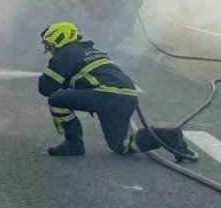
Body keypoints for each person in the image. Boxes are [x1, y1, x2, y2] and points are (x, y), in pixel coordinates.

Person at [38, 20, 189, 157]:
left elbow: (45, 88)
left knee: (56, 100)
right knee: (121, 146)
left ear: (59, 39)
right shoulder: (94, 51)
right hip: (126, 96)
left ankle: (73, 144)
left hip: (105, 95)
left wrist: (52, 75)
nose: (49, 50)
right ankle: (169, 136)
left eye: (49, 45)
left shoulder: (64, 55)